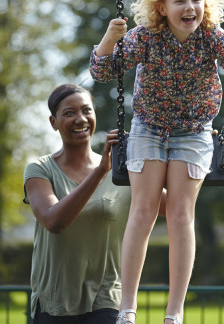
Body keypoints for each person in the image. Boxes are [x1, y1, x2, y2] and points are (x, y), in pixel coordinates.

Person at [90, 0, 224, 324]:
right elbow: (103, 70)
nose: (190, 7)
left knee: (180, 214)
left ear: (205, 5)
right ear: (162, 7)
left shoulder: (212, 37)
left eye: (196, 0)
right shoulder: (145, 37)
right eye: (180, 1)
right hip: (148, 128)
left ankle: (174, 312)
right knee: (142, 210)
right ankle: (127, 308)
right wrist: (111, 36)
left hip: (194, 133)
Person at [23, 83, 165, 323]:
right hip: (55, 301)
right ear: (53, 122)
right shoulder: (39, 169)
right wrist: (100, 171)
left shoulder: (123, 171)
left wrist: (191, 147)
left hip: (108, 298)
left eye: (87, 110)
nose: (81, 119)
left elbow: (177, 206)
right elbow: (53, 221)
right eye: (69, 113)